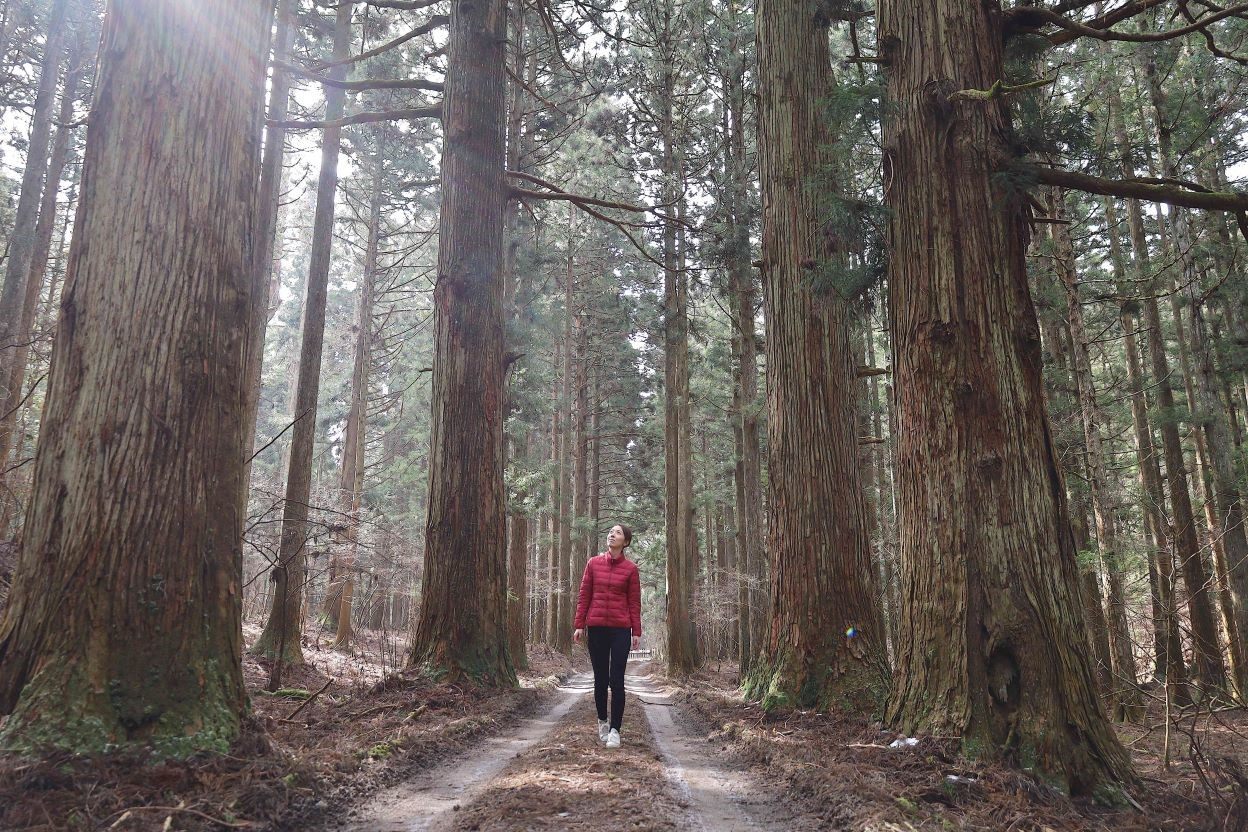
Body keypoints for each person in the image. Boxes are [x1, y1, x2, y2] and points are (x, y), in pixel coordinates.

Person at [573, 524, 641, 748]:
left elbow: (634, 602)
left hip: (621, 629)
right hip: (597, 627)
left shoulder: (631, 569)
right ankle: (602, 721)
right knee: (600, 679)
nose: (612, 535)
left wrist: (636, 631)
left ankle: (615, 730)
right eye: (611, 532)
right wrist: (579, 624)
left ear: (626, 542)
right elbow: (585, 595)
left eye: (618, 533)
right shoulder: (593, 563)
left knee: (617, 679)